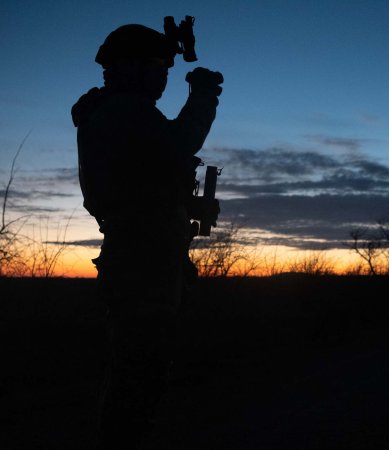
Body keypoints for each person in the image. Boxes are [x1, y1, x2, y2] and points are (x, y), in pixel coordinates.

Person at [71, 20, 222, 449]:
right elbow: (179, 143)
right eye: (156, 67)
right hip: (142, 260)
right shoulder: (123, 111)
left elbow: (142, 179)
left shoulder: (120, 111)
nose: (163, 77)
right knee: (139, 373)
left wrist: (185, 205)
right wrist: (203, 95)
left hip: (145, 254)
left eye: (165, 69)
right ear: (129, 67)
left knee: (140, 371)